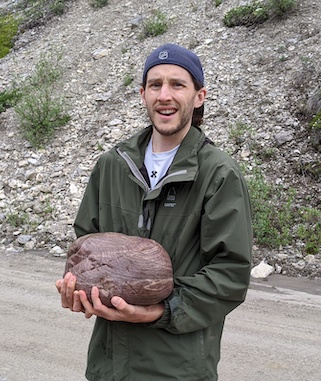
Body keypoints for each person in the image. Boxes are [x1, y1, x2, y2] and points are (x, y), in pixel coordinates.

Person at [55, 43, 253, 381]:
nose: (165, 95)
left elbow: (230, 274)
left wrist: (158, 310)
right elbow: (87, 245)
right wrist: (80, 290)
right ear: (143, 94)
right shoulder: (112, 165)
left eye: (178, 84)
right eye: (155, 84)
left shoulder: (218, 174)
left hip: (177, 368)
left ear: (199, 96)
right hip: (109, 365)